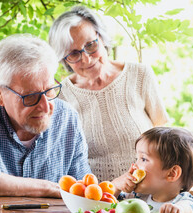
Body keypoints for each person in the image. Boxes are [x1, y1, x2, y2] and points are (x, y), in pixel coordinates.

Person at [0, 34, 92, 197]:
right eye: (30, 96)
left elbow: (83, 191)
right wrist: (45, 188)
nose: (44, 106)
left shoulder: (67, 118)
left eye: (49, 91)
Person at [49, 6, 169, 186]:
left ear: (102, 37)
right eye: (74, 53)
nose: (87, 59)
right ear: (64, 58)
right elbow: (62, 159)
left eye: (90, 45)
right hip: (98, 200)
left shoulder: (139, 75)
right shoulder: (61, 96)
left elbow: (165, 134)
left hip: (150, 192)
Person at [115, 127, 193, 213]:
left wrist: (177, 210)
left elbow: (187, 210)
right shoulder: (135, 196)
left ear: (172, 174)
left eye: (143, 159)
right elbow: (104, 203)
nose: (134, 166)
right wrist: (116, 186)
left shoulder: (184, 201)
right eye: (136, 158)